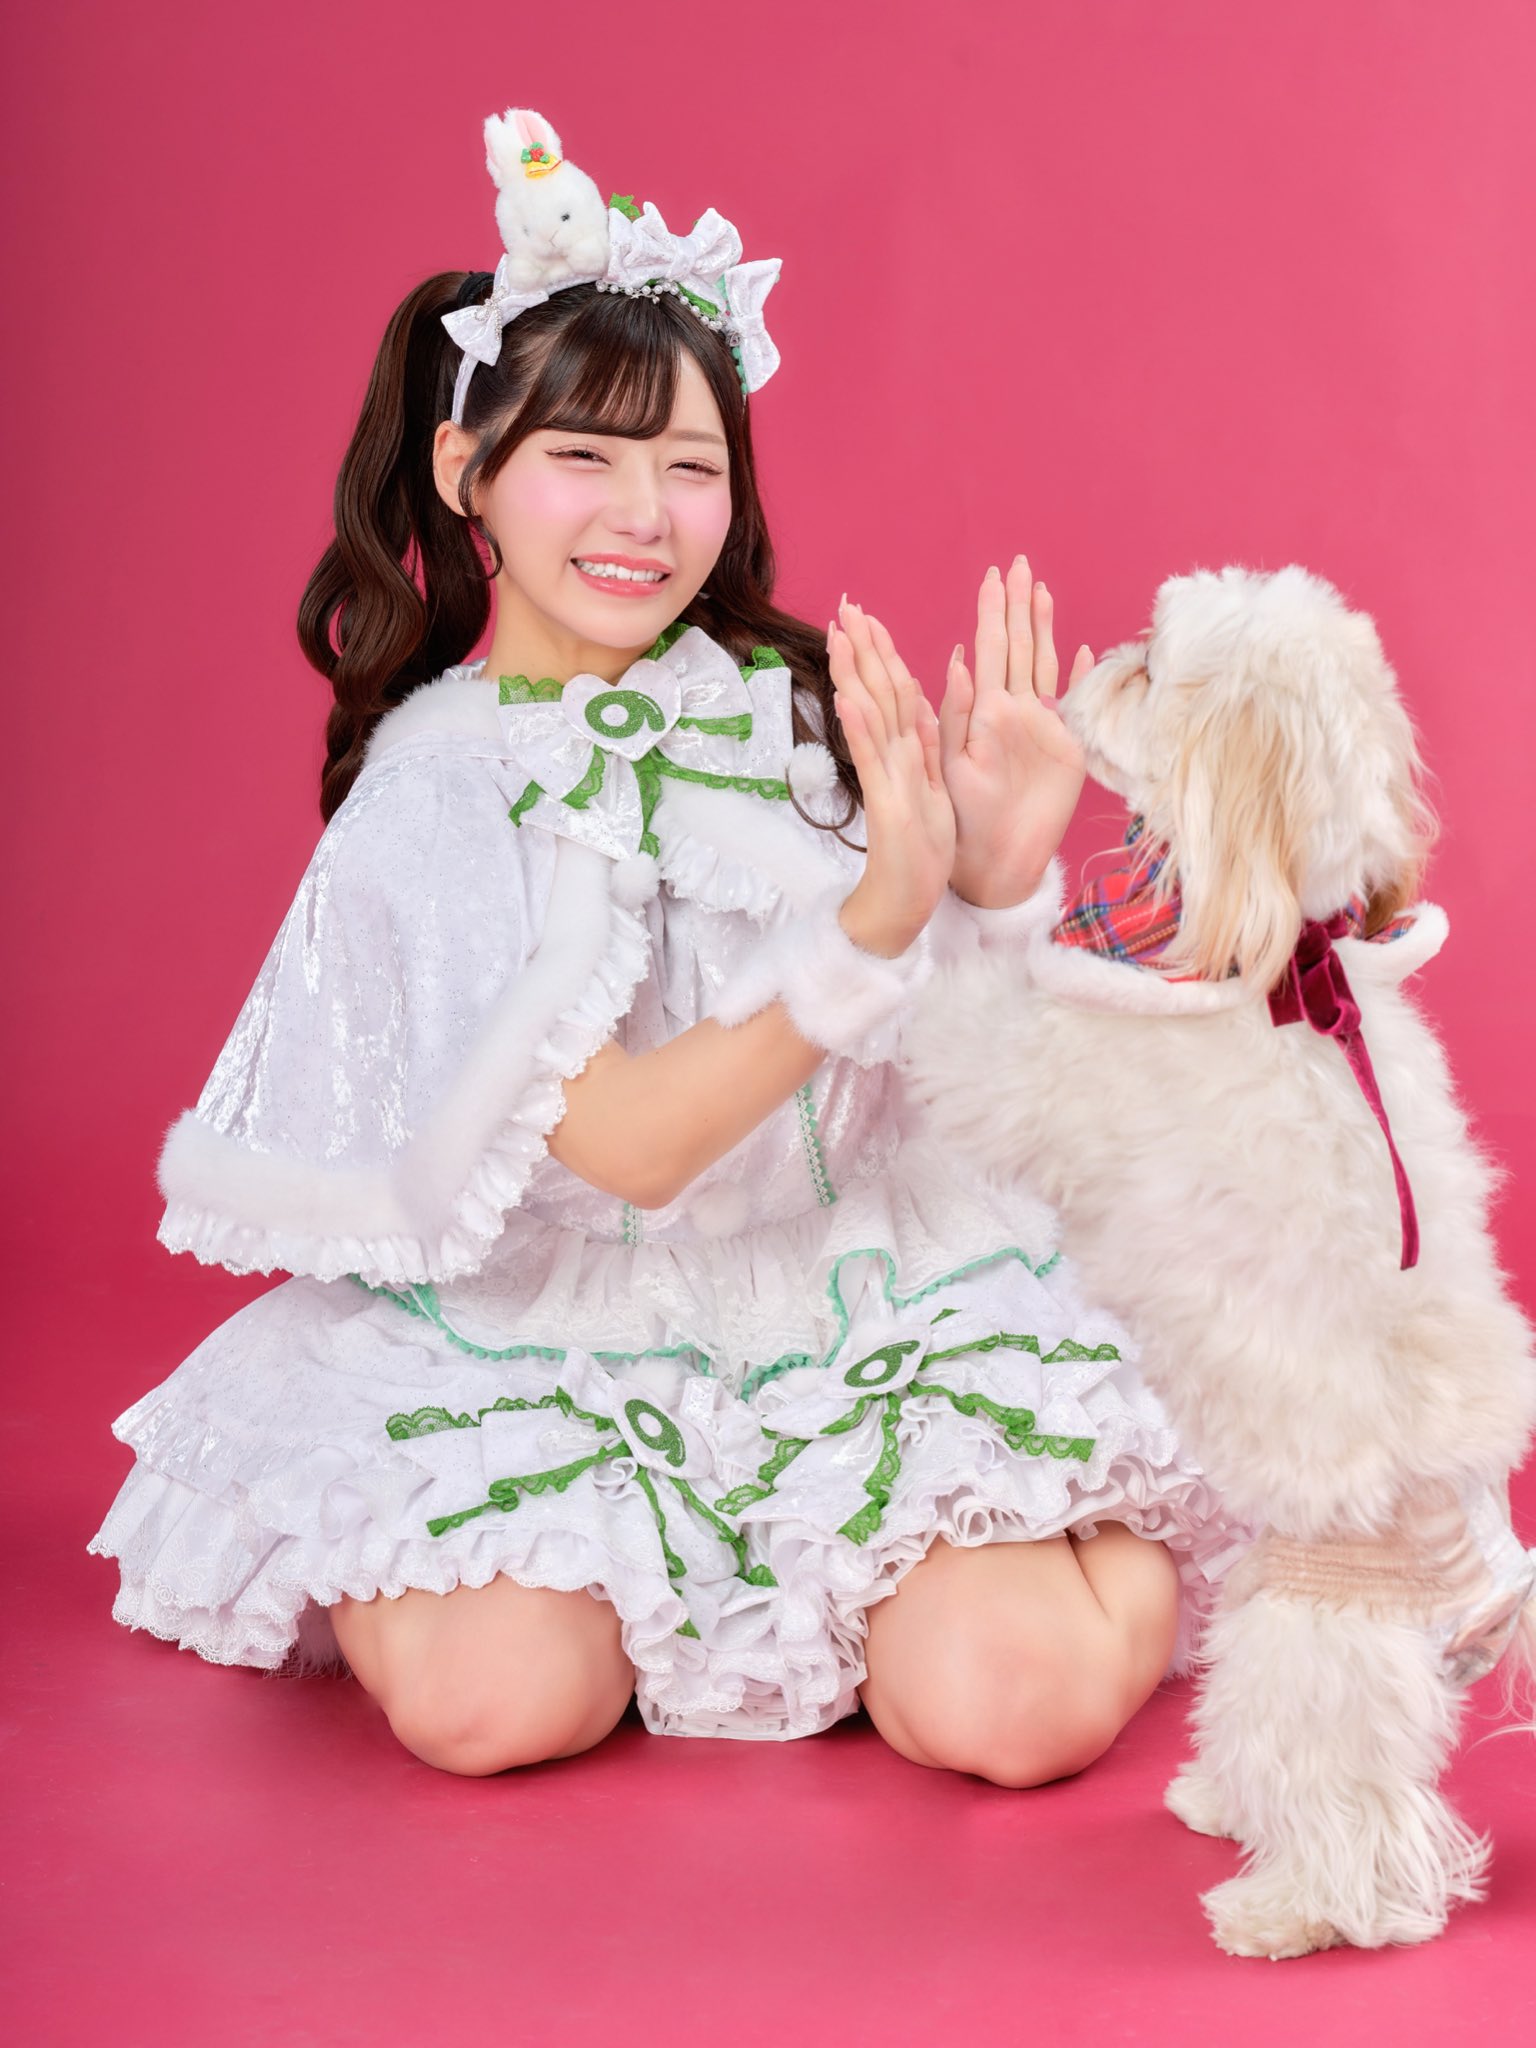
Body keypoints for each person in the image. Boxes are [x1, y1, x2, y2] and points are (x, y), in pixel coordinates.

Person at [89, 107, 1238, 1780]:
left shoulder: (788, 720)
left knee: (1014, 1709)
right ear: (465, 474)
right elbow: (629, 1150)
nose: (645, 514)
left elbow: (939, 1077)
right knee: (494, 1710)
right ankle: (696, 1575)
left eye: (691, 466)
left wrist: (990, 881)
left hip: (854, 1294)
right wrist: (872, 926)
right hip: (545, 1323)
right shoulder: (435, 790)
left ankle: (1149, 1530)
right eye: (586, 455)